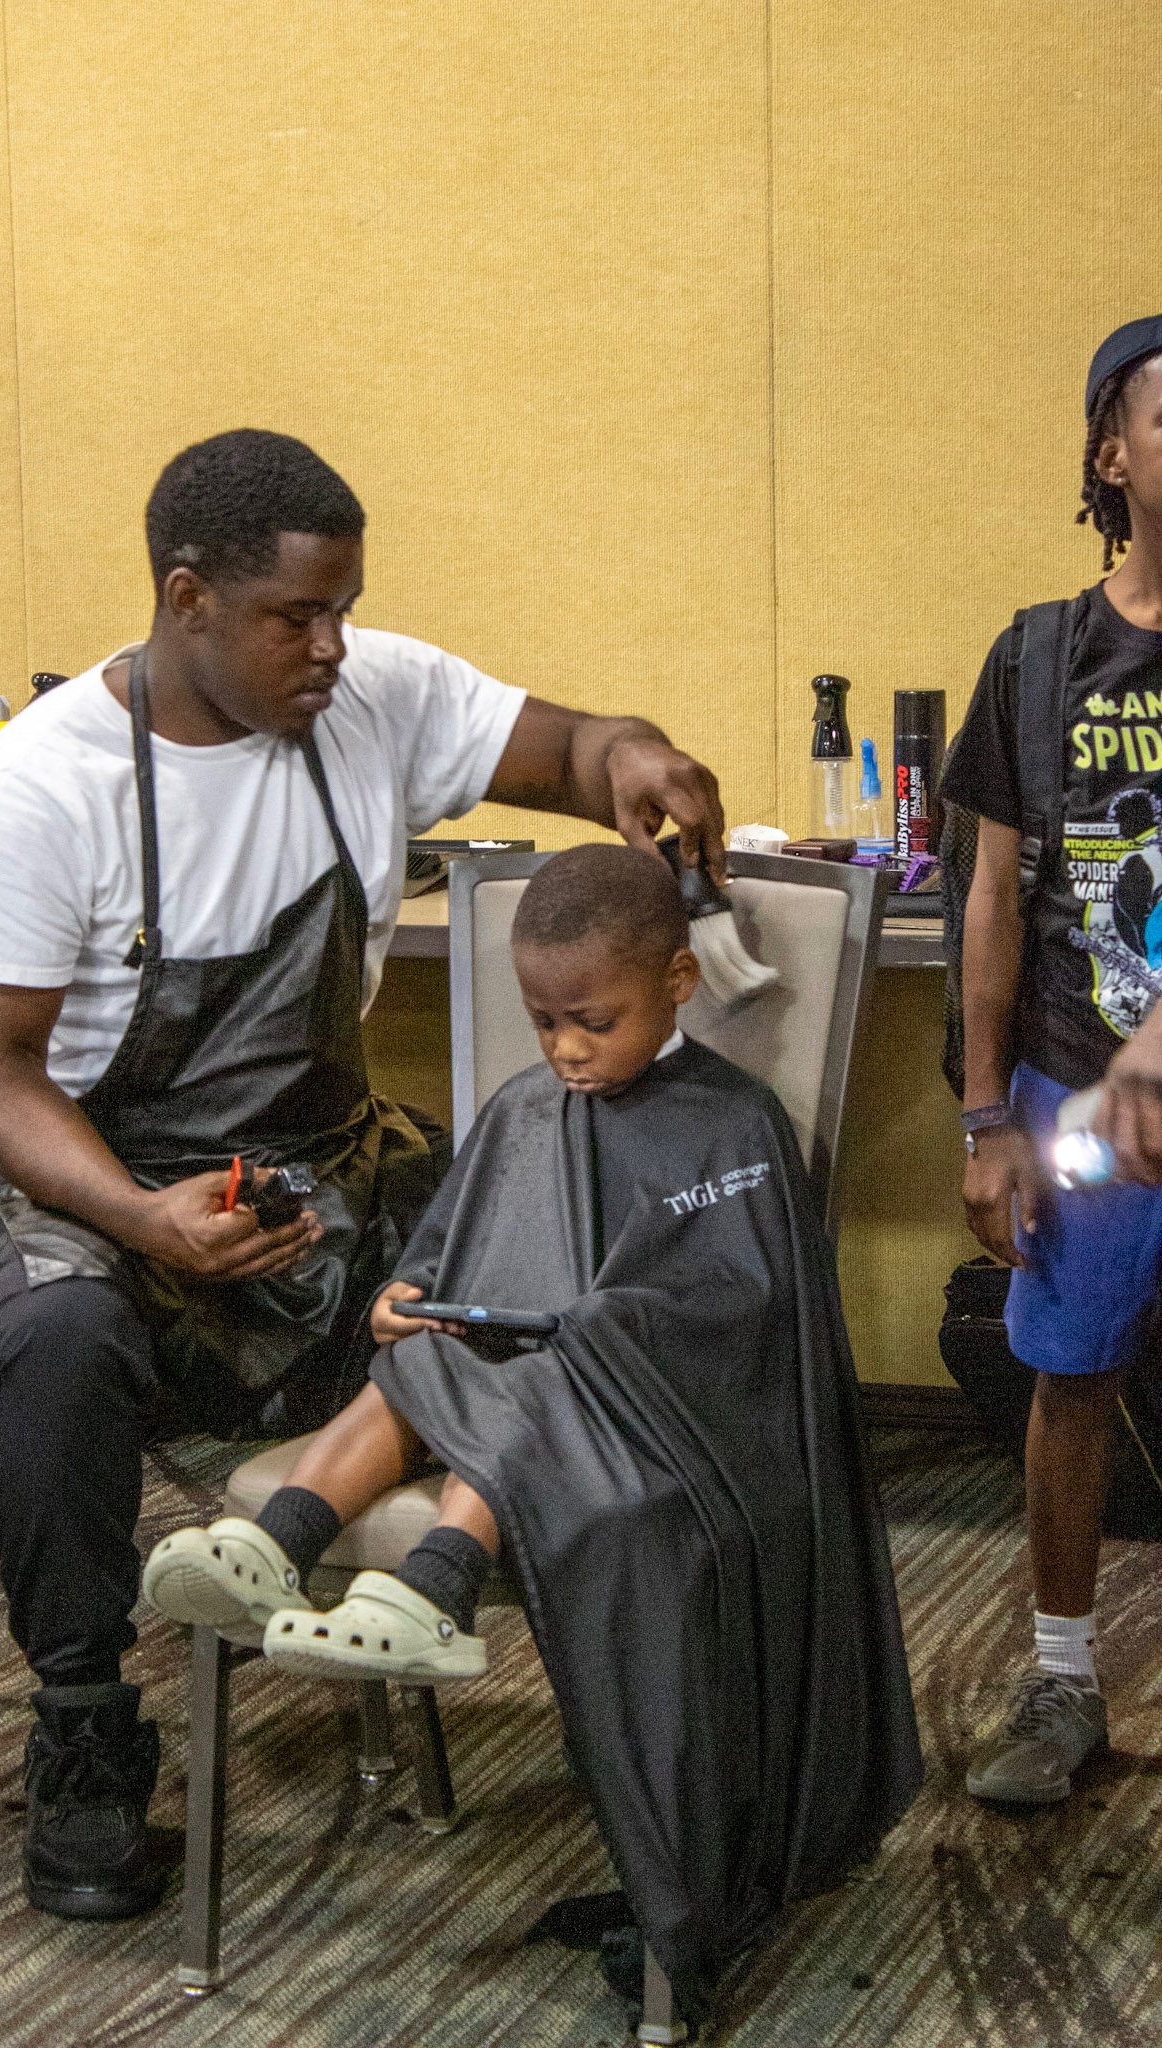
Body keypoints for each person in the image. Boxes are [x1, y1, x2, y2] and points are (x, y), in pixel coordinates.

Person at [0, 429, 727, 1920]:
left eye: (342, 609)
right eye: (295, 618)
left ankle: (604, 1681)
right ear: (186, 602)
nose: (331, 647)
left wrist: (636, 755)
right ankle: (86, 1727)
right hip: (103, 1195)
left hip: (321, 1177)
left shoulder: (374, 702)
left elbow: (571, 746)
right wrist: (136, 1213)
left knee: (566, 1231)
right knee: (51, 1340)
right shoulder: (40, 790)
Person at [145, 843, 921, 2014]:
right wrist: (408, 1296)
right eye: (542, 1019)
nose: (562, 1048)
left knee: (555, 1364)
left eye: (590, 1020)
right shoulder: (524, 1109)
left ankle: (435, 1581)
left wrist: (590, 1328)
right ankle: (277, 1544)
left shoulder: (734, 1124)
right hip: (496, 1384)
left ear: (675, 981)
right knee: (422, 1358)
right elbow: (454, 1251)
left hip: (671, 1428)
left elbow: (751, 1315)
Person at [944, 315, 1162, 1804]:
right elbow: (989, 901)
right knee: (1069, 1385)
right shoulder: (1036, 658)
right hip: (1073, 1094)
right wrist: (980, 1117)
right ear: (1112, 454)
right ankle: (1060, 1680)